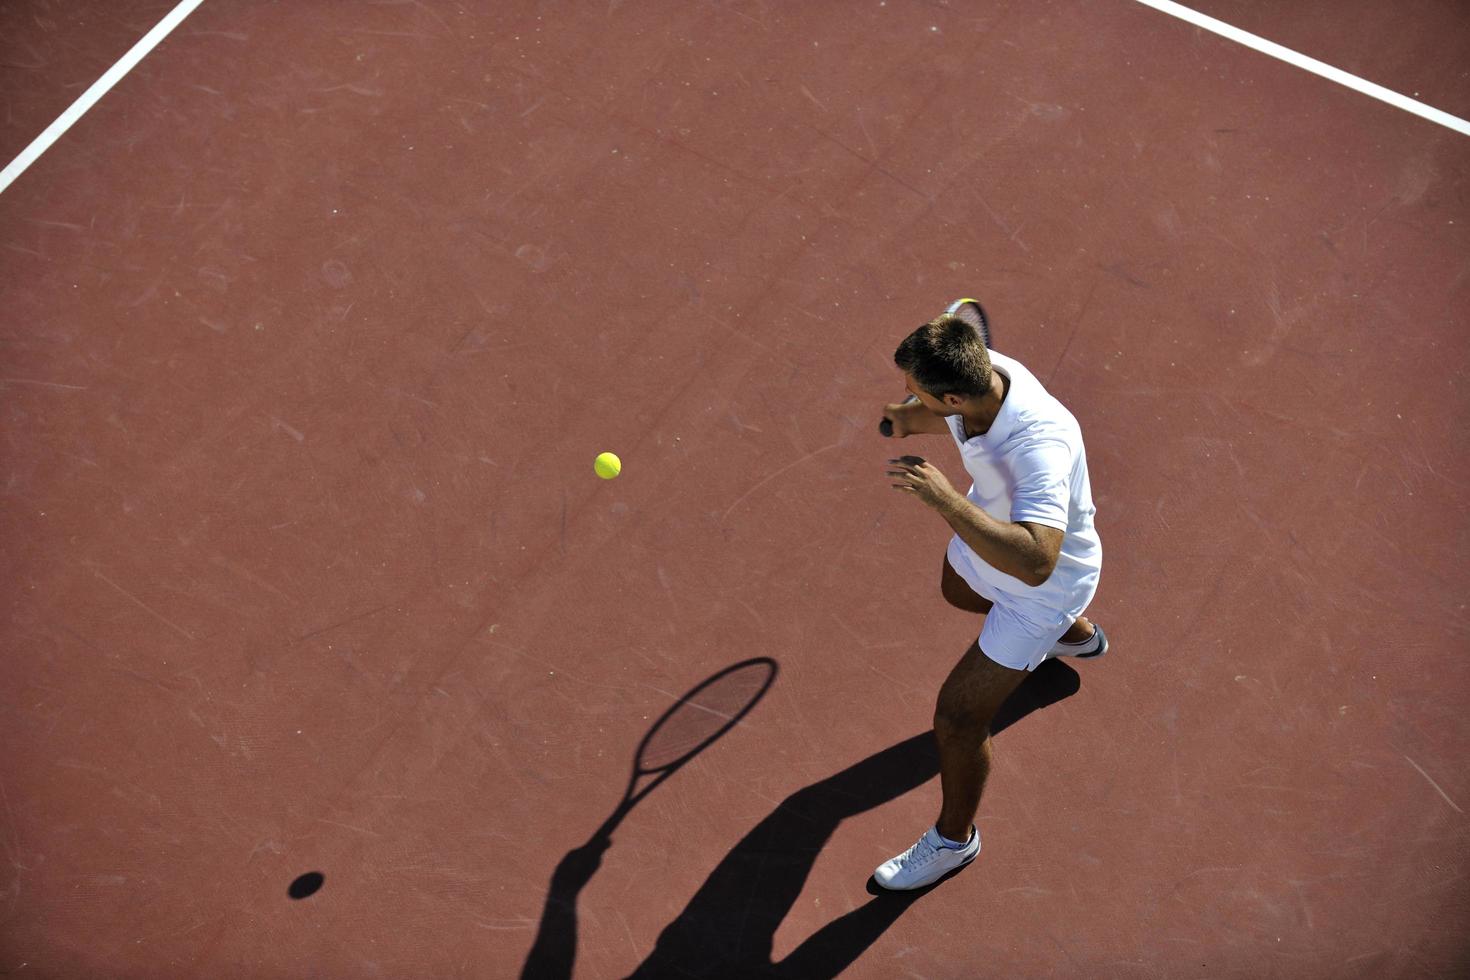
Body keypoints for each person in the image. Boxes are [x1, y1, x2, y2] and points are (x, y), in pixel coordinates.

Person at [873, 300, 1106, 891]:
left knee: (956, 719)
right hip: (988, 537)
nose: (907, 393)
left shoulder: (1040, 445)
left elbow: (1035, 561)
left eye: (916, 390)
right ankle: (1076, 636)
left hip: (1040, 584)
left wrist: (947, 499)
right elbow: (947, 415)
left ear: (953, 396)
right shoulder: (980, 372)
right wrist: (908, 416)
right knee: (956, 590)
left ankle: (954, 842)